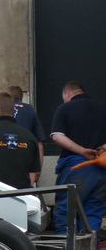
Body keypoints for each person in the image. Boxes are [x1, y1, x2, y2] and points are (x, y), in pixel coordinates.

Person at [50, 81, 106, 235]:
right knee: (94, 210)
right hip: (101, 167)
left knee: (65, 210)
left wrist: (82, 151)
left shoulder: (65, 108)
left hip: (76, 166)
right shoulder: (103, 109)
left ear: (67, 94)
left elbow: (57, 137)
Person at [0, 86, 46, 181]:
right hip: (22, 165)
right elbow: (39, 144)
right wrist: (37, 170)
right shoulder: (30, 110)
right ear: (21, 97)